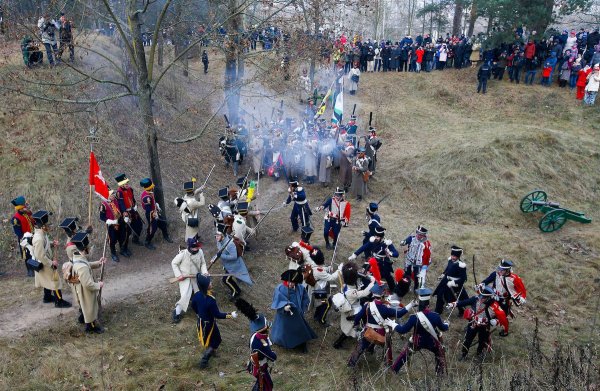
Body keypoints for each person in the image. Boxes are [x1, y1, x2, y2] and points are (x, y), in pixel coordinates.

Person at [347, 283, 414, 367]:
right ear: (382, 295)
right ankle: (387, 364)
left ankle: (351, 364)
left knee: (360, 347)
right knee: (387, 347)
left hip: (368, 331)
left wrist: (356, 325)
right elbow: (400, 314)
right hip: (381, 333)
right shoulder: (385, 309)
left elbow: (358, 317)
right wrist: (411, 305)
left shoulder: (367, 305)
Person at [386, 288, 449, 375]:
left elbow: (403, 330)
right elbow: (444, 328)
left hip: (417, 341)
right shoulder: (435, 316)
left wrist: (392, 324)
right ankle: (439, 374)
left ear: (419, 303)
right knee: (439, 353)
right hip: (432, 342)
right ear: (428, 304)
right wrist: (447, 324)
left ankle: (394, 370)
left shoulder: (414, 317)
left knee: (405, 353)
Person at [448, 285, 509, 360]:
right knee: (467, 340)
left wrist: (496, 321)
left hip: (485, 326)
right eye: (481, 295)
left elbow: (502, 317)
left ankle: (479, 353)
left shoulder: (495, 306)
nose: (480, 298)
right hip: (473, 323)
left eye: (483, 297)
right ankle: (464, 355)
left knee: (482, 341)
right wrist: (453, 304)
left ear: (489, 298)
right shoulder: (475, 299)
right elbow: (464, 302)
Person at [191, 274, 238, 368]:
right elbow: (218, 315)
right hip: (209, 324)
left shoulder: (196, 295)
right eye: (209, 282)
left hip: (201, 322)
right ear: (206, 286)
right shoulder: (211, 300)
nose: (211, 283)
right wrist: (230, 315)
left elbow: (193, 305)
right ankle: (204, 361)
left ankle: (211, 352)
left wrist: (199, 313)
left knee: (213, 339)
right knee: (216, 340)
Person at [31, 210, 71, 308]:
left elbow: (45, 245)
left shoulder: (41, 234)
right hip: (45, 263)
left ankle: (47, 297)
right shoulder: (38, 238)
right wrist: (51, 263)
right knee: (55, 281)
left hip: (45, 262)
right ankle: (59, 301)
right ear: (42, 226)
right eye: (46, 224)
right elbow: (40, 255)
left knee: (47, 280)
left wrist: (52, 243)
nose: (48, 226)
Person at [235, 298, 277, 391]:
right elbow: (272, 356)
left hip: (257, 364)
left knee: (263, 384)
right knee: (267, 386)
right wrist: (274, 353)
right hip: (260, 367)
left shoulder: (256, 336)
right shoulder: (260, 341)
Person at [331, 262, 376, 349]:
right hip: (352, 311)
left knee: (349, 327)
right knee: (349, 328)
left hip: (350, 308)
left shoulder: (345, 285)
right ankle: (337, 343)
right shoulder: (351, 292)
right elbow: (364, 293)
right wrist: (372, 283)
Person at [270, 269, 317, 353]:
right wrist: (284, 307)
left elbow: (305, 298)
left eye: (293, 282)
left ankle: (302, 344)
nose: (291, 284)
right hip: (285, 316)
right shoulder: (280, 288)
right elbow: (277, 301)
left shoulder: (300, 288)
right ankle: (283, 342)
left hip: (297, 314)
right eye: (290, 282)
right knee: (285, 331)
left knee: (300, 329)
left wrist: (303, 308)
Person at [69, 230, 106, 333]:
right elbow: (88, 284)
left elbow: (86, 264)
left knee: (84, 306)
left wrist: (99, 263)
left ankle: (82, 317)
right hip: (84, 290)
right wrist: (98, 285)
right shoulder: (81, 267)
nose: (89, 248)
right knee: (90, 306)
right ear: (85, 248)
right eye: (88, 246)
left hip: (80, 287)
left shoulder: (77, 256)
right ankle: (91, 327)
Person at [349, 226, 398, 291]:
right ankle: (367, 287)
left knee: (387, 276)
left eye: (377, 237)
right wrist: (355, 254)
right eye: (375, 236)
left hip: (383, 262)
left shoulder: (387, 243)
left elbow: (396, 254)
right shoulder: (373, 240)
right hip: (373, 260)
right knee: (366, 272)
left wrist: (391, 253)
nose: (376, 238)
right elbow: (364, 247)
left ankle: (393, 289)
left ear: (381, 237)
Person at [171, 237, 208, 323]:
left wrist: (205, 272)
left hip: (196, 278)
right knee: (185, 296)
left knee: (199, 294)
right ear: (190, 247)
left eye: (197, 246)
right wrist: (179, 275)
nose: (197, 248)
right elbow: (174, 263)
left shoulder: (200, 252)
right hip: (185, 278)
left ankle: (200, 313)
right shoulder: (183, 254)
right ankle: (176, 312)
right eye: (195, 247)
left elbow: (203, 263)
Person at [214, 225, 253, 299]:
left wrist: (221, 256)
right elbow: (219, 251)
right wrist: (215, 258)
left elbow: (234, 257)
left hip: (234, 266)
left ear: (222, 236)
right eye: (216, 236)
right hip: (227, 264)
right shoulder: (219, 242)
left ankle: (236, 293)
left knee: (226, 280)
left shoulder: (230, 244)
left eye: (218, 236)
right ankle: (237, 290)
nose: (216, 237)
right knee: (228, 279)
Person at [433, 246, 468, 315]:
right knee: (440, 295)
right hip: (445, 281)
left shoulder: (461, 266)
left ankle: (462, 312)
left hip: (455, 285)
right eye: (452, 255)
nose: (453, 257)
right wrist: (443, 275)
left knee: (457, 299)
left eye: (455, 256)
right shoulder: (450, 261)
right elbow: (447, 269)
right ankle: (438, 311)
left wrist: (453, 282)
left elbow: (463, 279)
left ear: (458, 256)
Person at [311, 247, 342, 327]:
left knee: (320, 304)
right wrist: (339, 270)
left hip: (316, 288)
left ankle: (316, 316)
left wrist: (327, 268)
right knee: (327, 304)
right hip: (320, 290)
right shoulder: (319, 271)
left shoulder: (312, 264)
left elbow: (320, 268)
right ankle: (322, 320)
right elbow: (330, 278)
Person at [140, 178, 173, 249]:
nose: (153, 187)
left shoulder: (149, 192)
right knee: (153, 229)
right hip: (151, 214)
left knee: (163, 224)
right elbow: (148, 210)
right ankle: (147, 242)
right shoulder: (147, 198)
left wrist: (156, 206)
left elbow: (153, 202)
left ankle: (166, 236)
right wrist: (154, 215)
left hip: (155, 211)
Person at [114, 173, 144, 247]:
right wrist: (125, 214)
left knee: (139, 225)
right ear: (121, 185)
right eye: (125, 183)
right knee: (127, 231)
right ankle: (123, 247)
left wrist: (135, 205)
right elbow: (121, 204)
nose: (127, 184)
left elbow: (132, 198)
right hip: (126, 213)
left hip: (133, 210)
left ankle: (135, 239)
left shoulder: (130, 189)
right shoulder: (119, 192)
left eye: (127, 183)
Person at [400, 225, 432, 292]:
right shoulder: (411, 238)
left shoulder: (426, 244)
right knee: (406, 275)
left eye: (420, 235)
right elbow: (403, 243)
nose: (418, 236)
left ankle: (416, 289)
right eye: (417, 233)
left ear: (424, 235)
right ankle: (405, 288)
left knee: (417, 277)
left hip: (418, 263)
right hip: (409, 260)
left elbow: (428, 256)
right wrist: (403, 243)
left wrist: (425, 266)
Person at [11, 196, 36, 276]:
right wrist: (24, 239)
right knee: (27, 255)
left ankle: (36, 268)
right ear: (19, 209)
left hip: (33, 236)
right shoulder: (15, 218)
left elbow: (32, 220)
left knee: (35, 253)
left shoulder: (27, 213)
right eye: (22, 208)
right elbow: (17, 231)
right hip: (24, 239)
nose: (24, 209)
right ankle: (30, 271)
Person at [99, 190, 126, 262]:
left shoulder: (116, 200)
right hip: (111, 224)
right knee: (112, 239)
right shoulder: (103, 205)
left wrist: (124, 215)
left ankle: (122, 250)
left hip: (120, 221)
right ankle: (113, 253)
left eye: (113, 194)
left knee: (122, 236)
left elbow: (121, 208)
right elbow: (102, 217)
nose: (113, 195)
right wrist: (109, 221)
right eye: (111, 194)